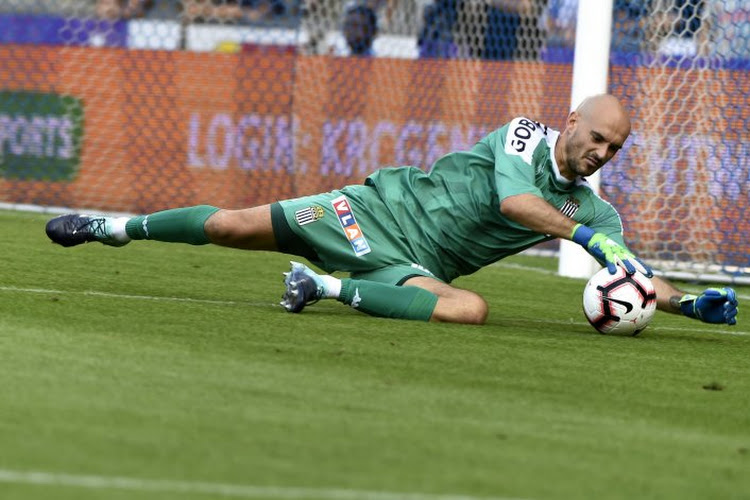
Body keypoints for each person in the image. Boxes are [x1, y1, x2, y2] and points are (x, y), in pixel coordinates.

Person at [45, 94, 738, 327]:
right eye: (596, 138)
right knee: (229, 225)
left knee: (469, 309)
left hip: (408, 263)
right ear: (571, 123)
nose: (602, 154)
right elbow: (514, 202)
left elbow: (633, 274)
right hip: (369, 211)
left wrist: (680, 305)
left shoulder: (595, 206)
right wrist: (586, 236)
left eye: (614, 148)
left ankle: (322, 286)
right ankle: (110, 228)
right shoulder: (524, 137)